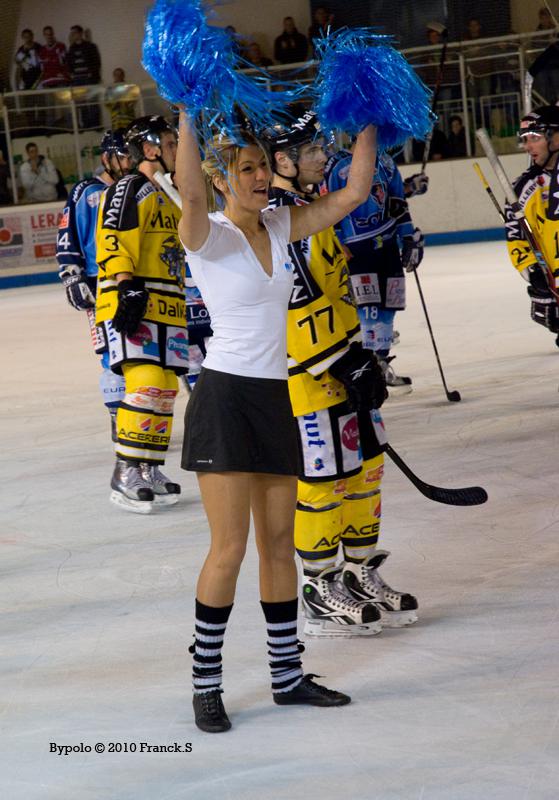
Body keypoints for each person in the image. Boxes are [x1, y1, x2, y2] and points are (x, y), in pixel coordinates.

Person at [175, 107, 379, 733]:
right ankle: (205, 683)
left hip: (273, 399)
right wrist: (186, 108)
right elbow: (186, 188)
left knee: (278, 547)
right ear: (221, 175)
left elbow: (355, 191)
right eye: (248, 168)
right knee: (229, 549)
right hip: (226, 401)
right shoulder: (205, 234)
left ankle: (286, 676)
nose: (261, 176)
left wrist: (369, 113)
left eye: (264, 164)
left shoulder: (283, 225)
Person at [265, 110, 417, 637]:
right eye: (310, 151)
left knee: (365, 471)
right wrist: (341, 360)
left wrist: (360, 356)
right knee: (324, 481)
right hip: (310, 377)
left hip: (345, 360)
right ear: (281, 160)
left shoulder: (307, 207)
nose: (320, 157)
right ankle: (318, 586)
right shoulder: (275, 218)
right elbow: (293, 304)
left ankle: (357, 573)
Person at [95, 115, 187, 514]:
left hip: (169, 305)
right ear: (149, 150)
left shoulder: (170, 192)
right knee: (146, 380)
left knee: (165, 389)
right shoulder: (132, 187)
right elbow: (112, 233)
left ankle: (148, 467)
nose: (176, 150)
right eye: (170, 143)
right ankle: (125, 469)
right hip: (134, 299)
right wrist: (125, 283)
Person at [325, 140, 425, 390]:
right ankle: (365, 369)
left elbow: (397, 203)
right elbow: (326, 207)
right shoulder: (336, 165)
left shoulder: (386, 161)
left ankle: (380, 363)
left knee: (388, 307)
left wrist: (408, 237)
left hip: (388, 243)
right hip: (356, 247)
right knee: (366, 309)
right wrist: (336, 242)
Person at [57, 130, 131, 440]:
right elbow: (68, 231)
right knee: (111, 352)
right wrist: (71, 273)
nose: (129, 161)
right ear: (107, 158)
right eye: (124, 155)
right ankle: (119, 416)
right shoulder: (87, 192)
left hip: (134, 277)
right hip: (100, 283)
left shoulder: (136, 188)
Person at [505, 106, 559, 342]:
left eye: (535, 138)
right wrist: (534, 273)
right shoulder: (522, 188)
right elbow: (516, 239)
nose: (528, 147)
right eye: (526, 140)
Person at [67, 25, 102, 129]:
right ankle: (86, 125)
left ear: (80, 33)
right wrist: (71, 74)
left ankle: (95, 124)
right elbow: (69, 63)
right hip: (77, 79)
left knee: (93, 101)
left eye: (74, 33)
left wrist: (92, 73)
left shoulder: (90, 46)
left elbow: (96, 62)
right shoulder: (71, 48)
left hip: (89, 78)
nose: (72, 35)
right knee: (81, 103)